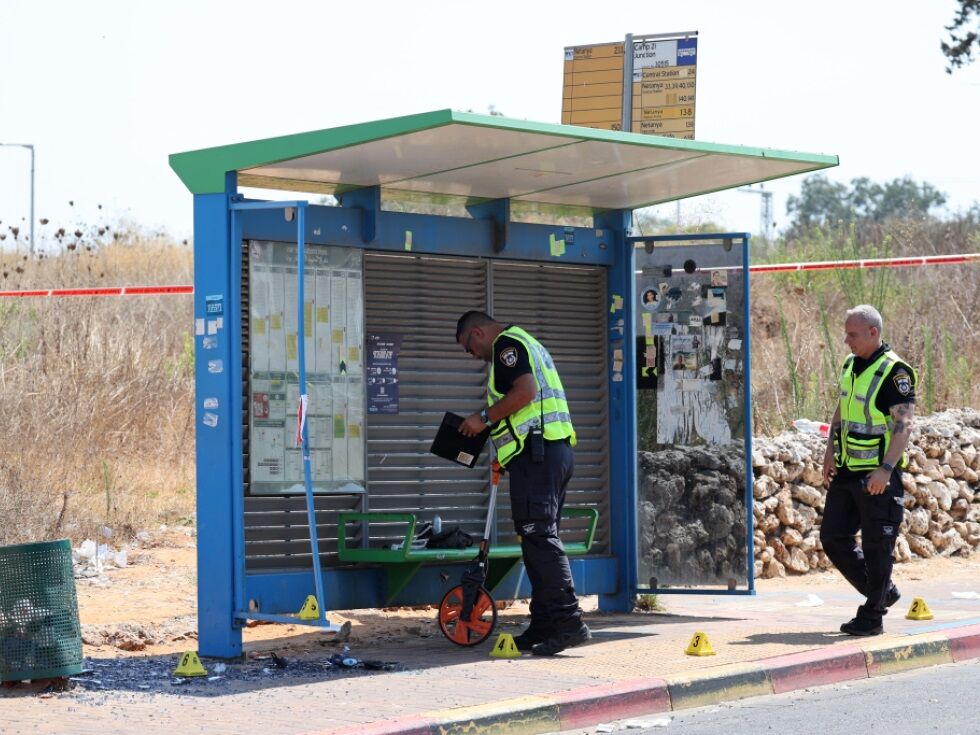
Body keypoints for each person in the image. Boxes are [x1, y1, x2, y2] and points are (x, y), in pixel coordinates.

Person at [455, 310, 590, 656]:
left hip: (539, 456)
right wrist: (505, 452)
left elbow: (525, 393)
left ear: (478, 333)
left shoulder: (507, 345)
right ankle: (545, 624)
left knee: (540, 538)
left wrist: (482, 418)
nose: (471, 356)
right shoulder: (528, 343)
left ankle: (569, 622)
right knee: (535, 540)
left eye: (468, 348)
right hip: (547, 453)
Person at [820, 304, 916, 636]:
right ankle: (883, 592)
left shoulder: (895, 372)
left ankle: (872, 615)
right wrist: (830, 449)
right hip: (847, 470)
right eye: (846, 333)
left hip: (877, 475)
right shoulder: (851, 364)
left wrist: (886, 470)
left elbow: (903, 425)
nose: (846, 340)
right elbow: (842, 407)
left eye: (852, 334)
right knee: (832, 537)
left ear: (873, 333)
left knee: (877, 547)